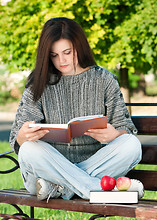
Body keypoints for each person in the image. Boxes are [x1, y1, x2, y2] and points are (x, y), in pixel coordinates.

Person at [9, 17, 142, 202]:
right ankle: (95, 189)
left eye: (67, 52)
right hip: (47, 171)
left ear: (79, 46)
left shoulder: (104, 79)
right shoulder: (38, 83)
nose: (61, 60)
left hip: (69, 174)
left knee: (131, 145)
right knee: (29, 150)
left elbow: (126, 128)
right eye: (54, 55)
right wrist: (23, 136)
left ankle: (60, 188)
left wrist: (115, 135)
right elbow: (17, 139)